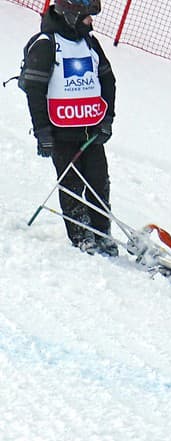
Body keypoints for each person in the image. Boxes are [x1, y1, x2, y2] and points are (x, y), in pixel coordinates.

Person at [20, 0, 118, 257]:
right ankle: (81, 236)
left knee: (99, 183)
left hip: (91, 131)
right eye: (87, 16)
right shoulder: (45, 45)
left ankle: (101, 233)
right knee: (72, 185)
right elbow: (35, 91)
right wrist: (42, 132)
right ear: (71, 15)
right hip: (61, 134)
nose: (91, 22)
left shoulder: (90, 43)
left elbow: (108, 80)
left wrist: (107, 119)